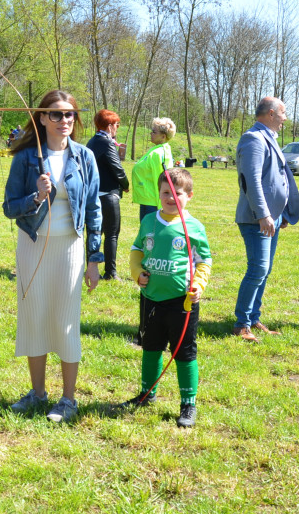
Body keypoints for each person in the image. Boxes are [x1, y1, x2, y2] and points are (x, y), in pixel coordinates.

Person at [3, 89, 102, 424]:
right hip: (33, 246)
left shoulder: (84, 157)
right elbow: (8, 208)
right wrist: (36, 196)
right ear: (42, 118)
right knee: (34, 317)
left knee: (65, 320)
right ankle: (38, 393)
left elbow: (93, 209)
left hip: (70, 248)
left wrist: (93, 260)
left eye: (70, 114)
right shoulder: (26, 158)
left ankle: (68, 399)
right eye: (57, 114)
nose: (65, 121)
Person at [124, 168, 210, 428]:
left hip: (182, 302)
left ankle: (188, 404)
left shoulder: (194, 227)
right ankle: (147, 393)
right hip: (151, 299)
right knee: (150, 348)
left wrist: (198, 284)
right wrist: (137, 272)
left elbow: (203, 261)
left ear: (189, 196)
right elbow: (137, 249)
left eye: (178, 194)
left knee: (184, 353)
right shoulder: (149, 221)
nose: (171, 198)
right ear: (158, 194)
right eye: (165, 193)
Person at [232, 98, 299, 342]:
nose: (285, 118)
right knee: (258, 269)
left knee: (264, 270)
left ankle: (252, 318)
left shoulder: (268, 137)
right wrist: (263, 214)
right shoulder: (253, 139)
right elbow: (251, 181)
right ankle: (241, 324)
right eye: (283, 113)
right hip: (255, 219)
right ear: (271, 114)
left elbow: (275, 179)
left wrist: (280, 213)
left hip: (271, 219)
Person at [87, 110, 129, 280]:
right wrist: (125, 185)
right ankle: (110, 272)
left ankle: (90, 266)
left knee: (95, 232)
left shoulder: (92, 141)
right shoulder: (106, 143)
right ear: (110, 126)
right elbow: (117, 168)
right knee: (111, 234)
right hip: (108, 195)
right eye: (117, 125)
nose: (117, 128)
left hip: (93, 195)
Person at [132, 117, 176, 222]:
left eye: (154, 132)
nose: (151, 134)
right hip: (148, 200)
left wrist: (162, 208)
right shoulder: (157, 150)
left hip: (152, 203)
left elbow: (160, 180)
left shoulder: (158, 153)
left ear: (163, 136)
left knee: (149, 234)